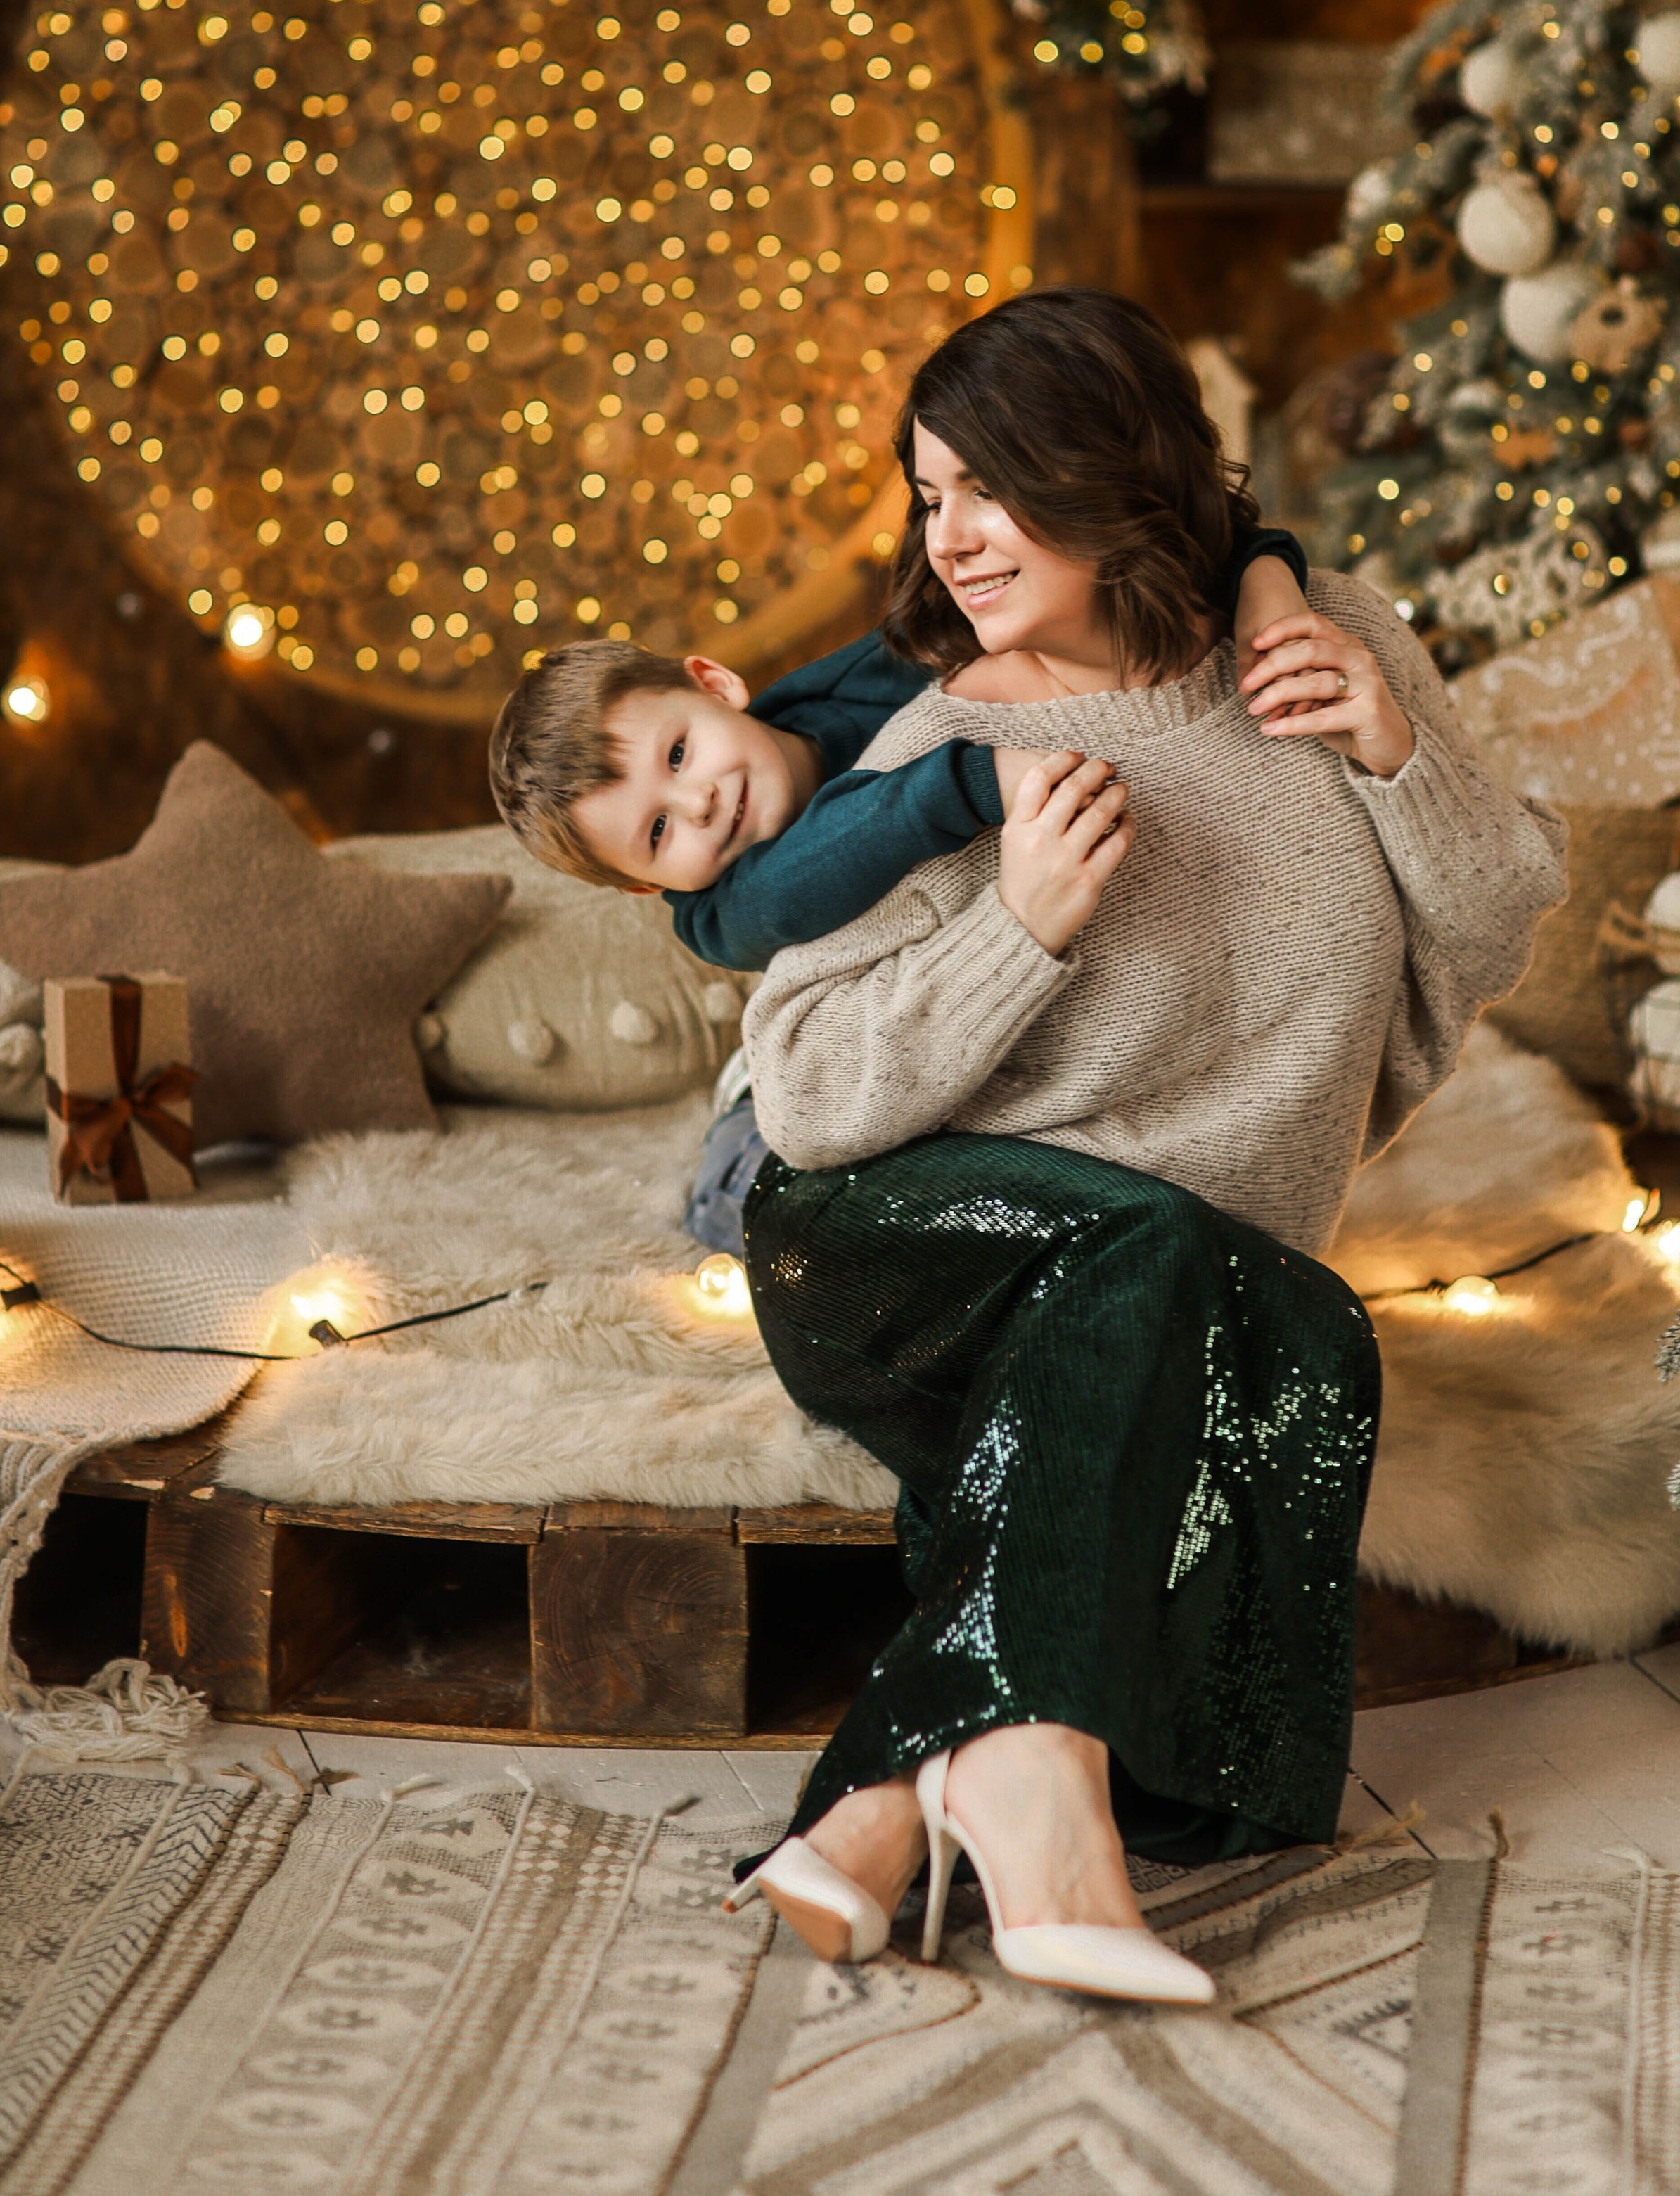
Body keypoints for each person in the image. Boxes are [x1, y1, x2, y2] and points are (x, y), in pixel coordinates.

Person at [724, 286, 1567, 2003]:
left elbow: (1492, 921)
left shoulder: (1314, 645)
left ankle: (886, 1809)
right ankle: (1026, 1789)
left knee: (1295, 1365)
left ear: (1101, 469)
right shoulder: (948, 751)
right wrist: (1010, 927)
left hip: (1152, 1289)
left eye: (983, 487)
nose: (946, 537)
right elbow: (798, 1090)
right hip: (894, 1245)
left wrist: (1396, 753)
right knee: (1158, 1242)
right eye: (924, 494)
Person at [488, 532, 1314, 973]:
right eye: (658, 835)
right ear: (646, 885)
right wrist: (974, 777)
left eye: (677, 756)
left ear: (714, 683)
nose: (697, 803)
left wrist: (1262, 577)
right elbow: (790, 893)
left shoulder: (845, 685)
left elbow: (1003, 609)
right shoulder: (724, 917)